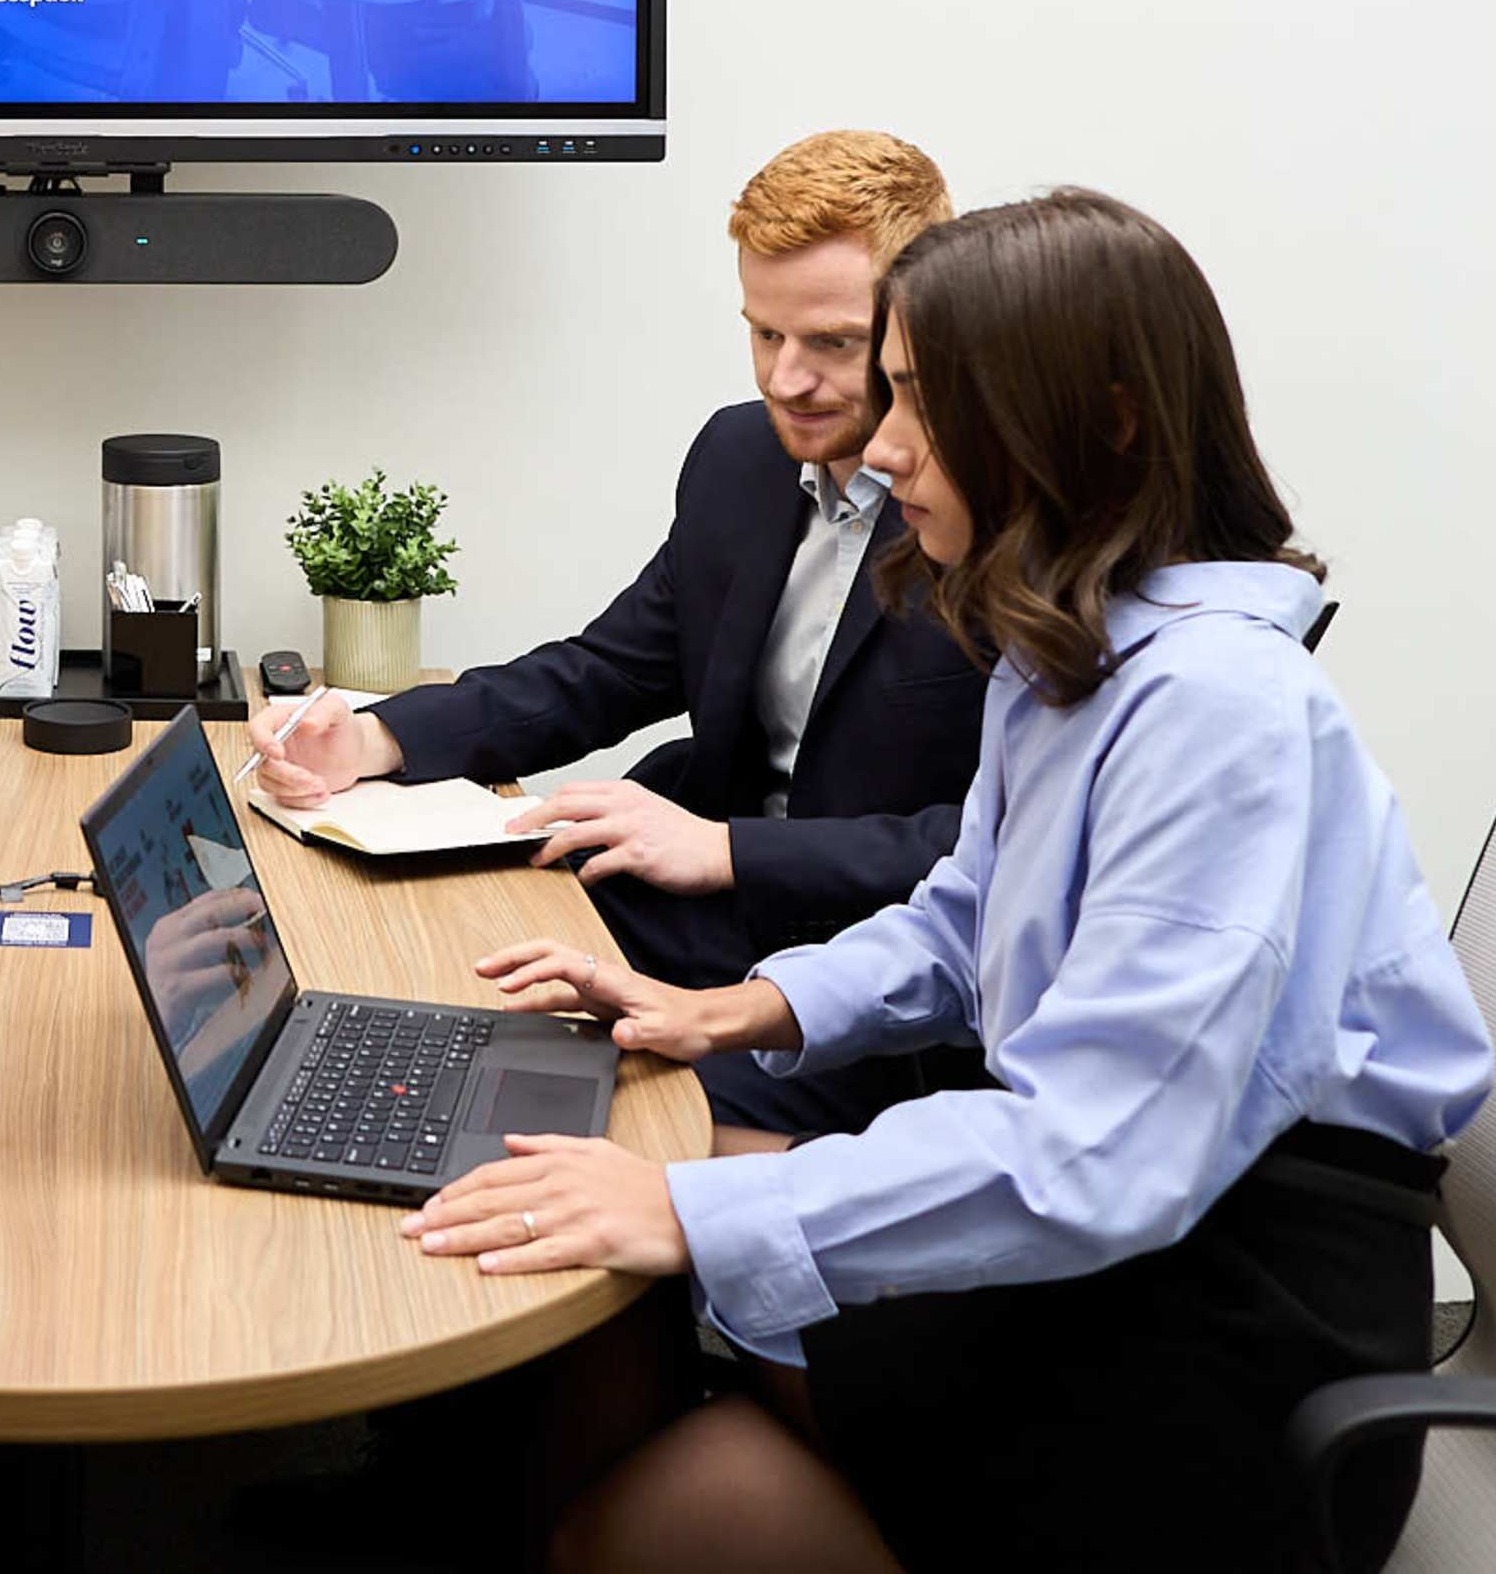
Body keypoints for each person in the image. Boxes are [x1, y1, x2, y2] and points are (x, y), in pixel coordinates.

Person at [406, 188, 1494, 1574]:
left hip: (1227, 1334)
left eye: (924, 400)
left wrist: (686, 1205)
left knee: (643, 1254)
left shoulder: (1221, 706)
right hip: (1148, 1241)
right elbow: (968, 914)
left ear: (1100, 421)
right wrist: (735, 1010)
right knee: (618, 1219)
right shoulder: (1076, 650)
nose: (887, 441)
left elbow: (1096, 1154)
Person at [249, 128, 988, 1141]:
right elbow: (604, 672)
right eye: (764, 334)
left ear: (920, 331)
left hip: (875, 982)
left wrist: (728, 851)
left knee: (565, 1114)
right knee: (412, 991)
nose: (786, 379)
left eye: (830, 344)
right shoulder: (740, 456)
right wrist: (378, 737)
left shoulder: (991, 521)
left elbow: (985, 846)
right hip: (691, 912)